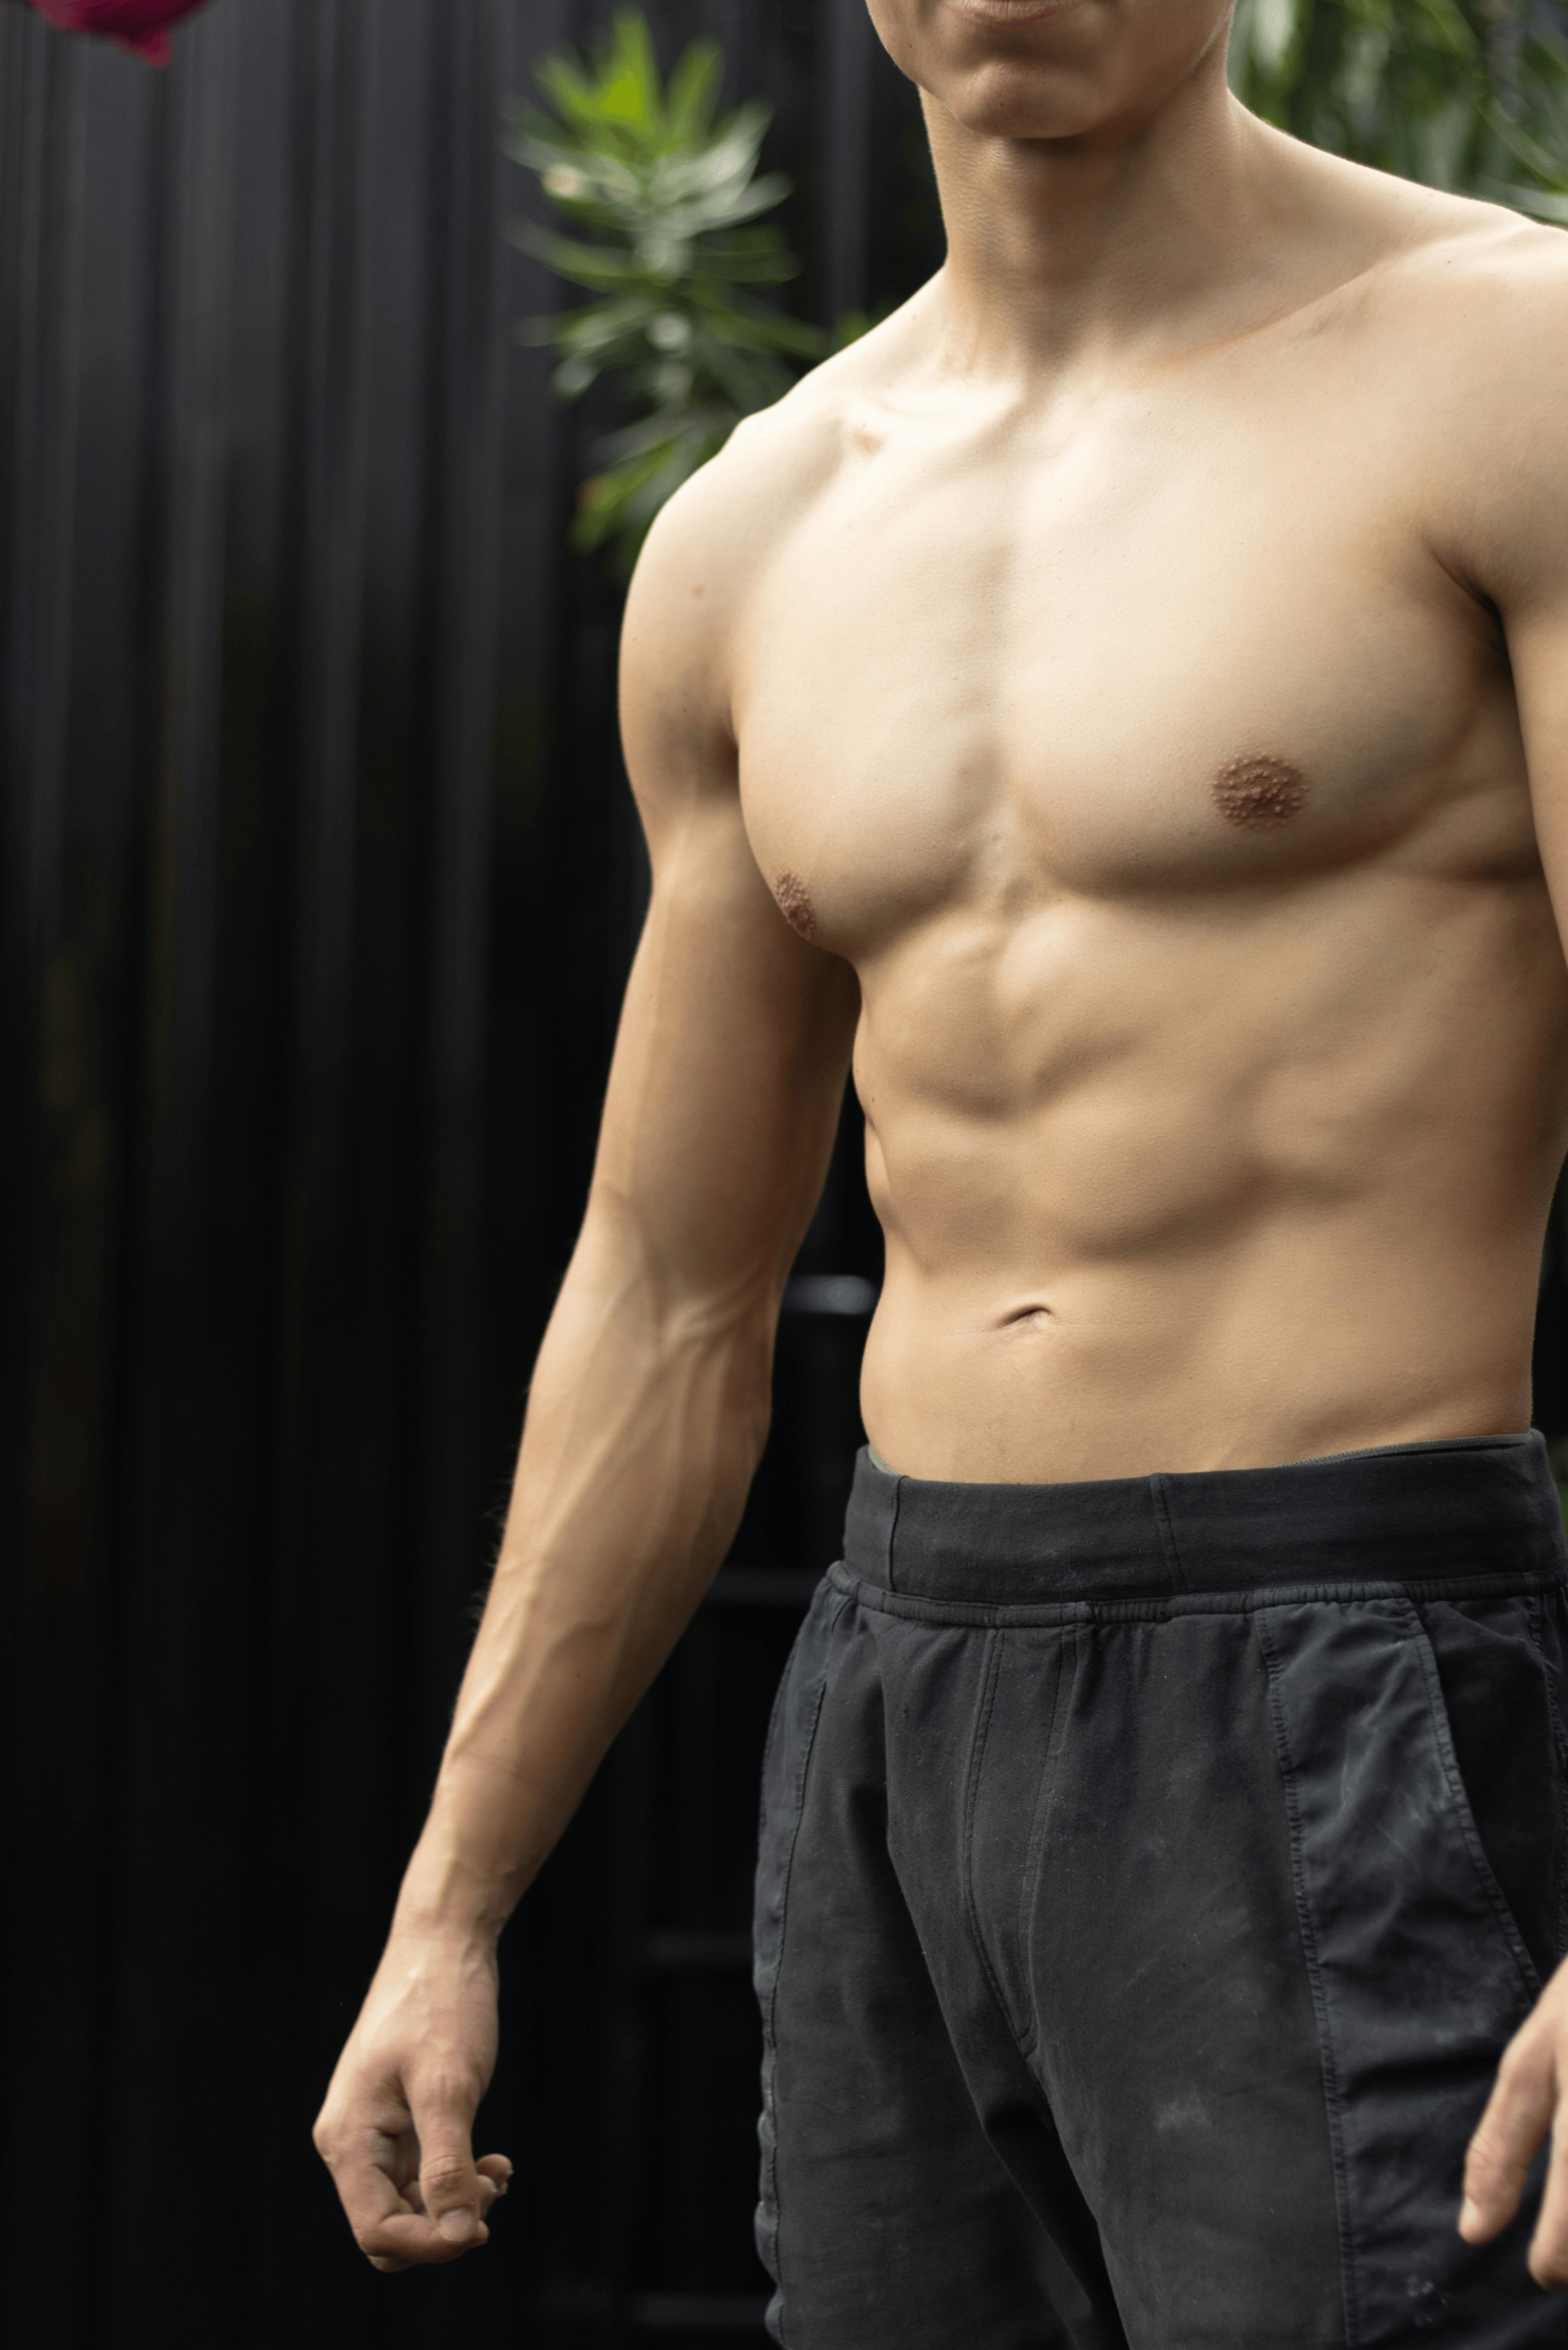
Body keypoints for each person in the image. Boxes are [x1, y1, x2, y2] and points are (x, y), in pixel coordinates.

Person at [312, 0, 1568, 2339]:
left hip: (1335, 1653)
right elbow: (671, 1288)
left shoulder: (1509, 372)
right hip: (898, 1694)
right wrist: (450, 1896)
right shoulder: (756, 534)